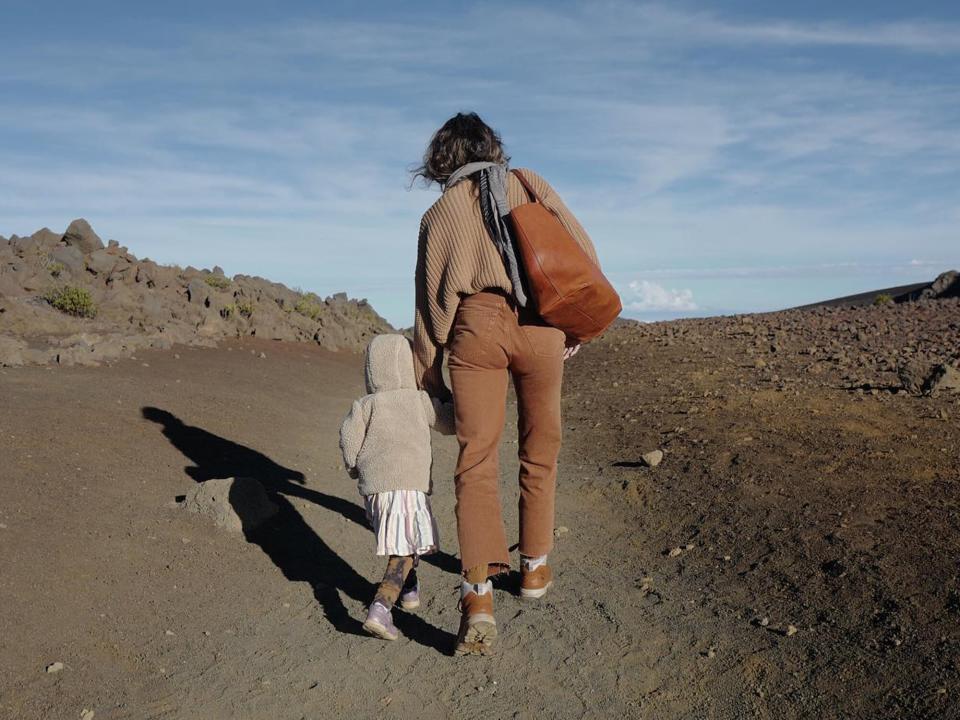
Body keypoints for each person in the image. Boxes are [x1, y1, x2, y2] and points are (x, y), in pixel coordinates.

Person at [411, 112, 602, 655]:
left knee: (476, 460)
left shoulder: (440, 212)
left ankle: (478, 599)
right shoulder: (528, 184)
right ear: (493, 148)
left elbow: (431, 307)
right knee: (541, 447)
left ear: (442, 158)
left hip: (477, 328)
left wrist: (429, 373)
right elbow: (580, 248)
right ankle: (535, 570)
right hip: (542, 327)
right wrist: (575, 322)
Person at [339, 333, 454, 641]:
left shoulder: (365, 405)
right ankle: (380, 608)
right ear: (407, 366)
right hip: (408, 487)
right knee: (404, 549)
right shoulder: (417, 400)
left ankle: (409, 591)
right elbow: (449, 423)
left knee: (404, 540)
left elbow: (349, 441)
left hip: (375, 492)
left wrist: (355, 470)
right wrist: (449, 396)